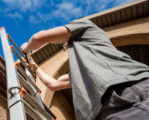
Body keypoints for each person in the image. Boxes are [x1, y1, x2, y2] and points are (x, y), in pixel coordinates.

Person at [21, 19, 149, 120]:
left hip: (127, 91)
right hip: (105, 111)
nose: (64, 45)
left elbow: (38, 38)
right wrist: (35, 67)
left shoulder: (85, 25)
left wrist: (26, 49)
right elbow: (54, 85)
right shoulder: (82, 74)